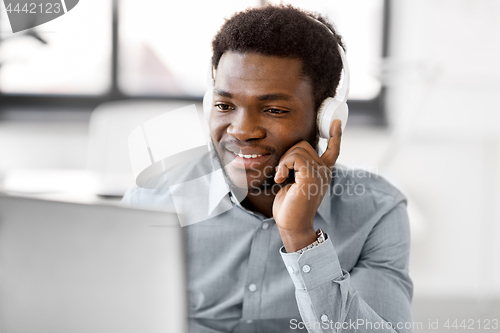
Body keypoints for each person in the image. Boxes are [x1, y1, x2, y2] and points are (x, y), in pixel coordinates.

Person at [122, 4, 413, 333]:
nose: (242, 130)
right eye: (224, 105)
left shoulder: (377, 211)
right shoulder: (155, 197)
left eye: (273, 109)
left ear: (326, 118)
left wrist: (300, 237)